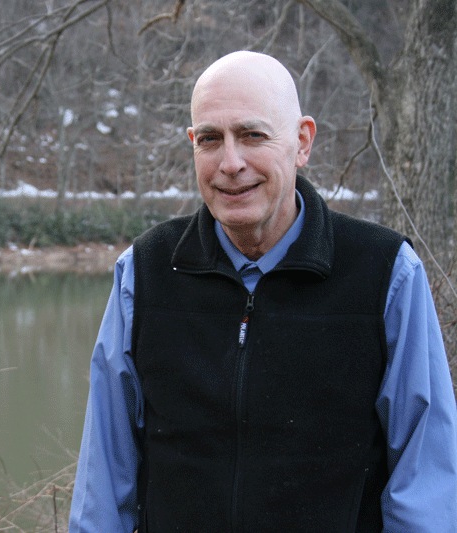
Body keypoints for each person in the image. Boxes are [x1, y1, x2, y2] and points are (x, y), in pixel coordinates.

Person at [69, 51, 457, 532]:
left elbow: (428, 483)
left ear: (301, 141)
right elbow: (104, 484)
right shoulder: (144, 273)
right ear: (193, 144)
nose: (230, 163)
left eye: (252, 135)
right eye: (210, 139)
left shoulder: (385, 273)